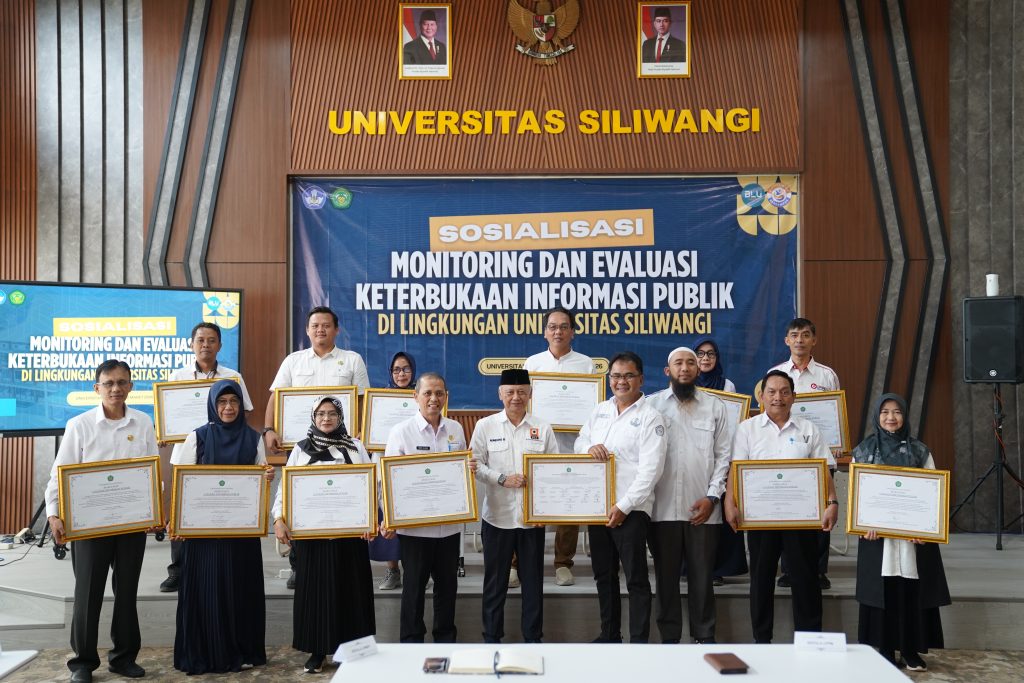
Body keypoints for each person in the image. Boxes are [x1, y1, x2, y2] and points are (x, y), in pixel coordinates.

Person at [45, 359, 159, 682]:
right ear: (97, 388)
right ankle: (82, 663)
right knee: (88, 593)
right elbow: (59, 473)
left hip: (131, 524)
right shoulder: (79, 425)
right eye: (108, 383)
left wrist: (155, 511)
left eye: (122, 382)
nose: (115, 389)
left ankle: (123, 657)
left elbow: (151, 471)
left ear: (131, 387)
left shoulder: (143, 423)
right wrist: (53, 513)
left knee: (127, 591)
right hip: (89, 525)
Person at [725, 370, 839, 644]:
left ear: (794, 397)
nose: (778, 397)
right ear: (762, 396)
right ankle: (762, 640)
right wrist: (730, 502)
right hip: (759, 519)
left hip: (801, 519)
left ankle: (810, 640)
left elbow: (824, 470)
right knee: (761, 580)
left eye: (785, 392)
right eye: (772, 392)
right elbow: (735, 470)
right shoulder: (747, 429)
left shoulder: (808, 429)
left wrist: (832, 502)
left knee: (805, 578)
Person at [263, 305, 370, 589]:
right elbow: (275, 397)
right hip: (302, 448)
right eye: (315, 325)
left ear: (336, 329)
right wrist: (269, 429)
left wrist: (361, 434)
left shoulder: (352, 360)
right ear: (307, 330)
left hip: (343, 447)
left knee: (339, 500)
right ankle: (299, 564)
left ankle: (344, 561)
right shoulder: (293, 361)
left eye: (326, 325)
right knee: (301, 502)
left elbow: (362, 401)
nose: (320, 329)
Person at [170, 380, 272, 674]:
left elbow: (260, 477)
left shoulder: (253, 438)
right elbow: (181, 481)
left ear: (241, 405)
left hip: (242, 534)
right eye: (222, 402)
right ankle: (206, 652)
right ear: (213, 405)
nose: (228, 407)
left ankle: (241, 650)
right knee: (208, 591)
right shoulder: (197, 437)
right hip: (204, 535)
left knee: (240, 591)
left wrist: (265, 478)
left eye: (234, 401)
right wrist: (177, 520)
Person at [272, 396, 377, 674]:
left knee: (352, 592)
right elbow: (285, 488)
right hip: (312, 538)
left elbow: (371, 486)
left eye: (332, 413)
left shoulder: (355, 447)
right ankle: (317, 652)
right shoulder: (301, 449)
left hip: (350, 537)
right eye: (320, 414)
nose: (326, 418)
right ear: (313, 417)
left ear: (340, 417)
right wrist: (279, 518)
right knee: (315, 594)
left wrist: (371, 519)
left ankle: (354, 652)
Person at [853, 393, 950, 671]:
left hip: (913, 539)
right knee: (882, 591)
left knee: (910, 591)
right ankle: (884, 650)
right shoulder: (864, 450)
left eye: (897, 412)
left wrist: (927, 529)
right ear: (877, 416)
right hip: (877, 538)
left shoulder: (920, 451)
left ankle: (910, 650)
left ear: (905, 416)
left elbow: (933, 492)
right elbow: (859, 494)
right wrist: (862, 523)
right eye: (885, 412)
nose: (891, 417)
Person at [576, 351, 666, 643]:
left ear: (641, 379)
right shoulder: (600, 410)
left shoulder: (651, 417)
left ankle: (638, 642)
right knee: (604, 575)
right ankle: (610, 635)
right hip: (598, 507)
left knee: (636, 578)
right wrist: (588, 448)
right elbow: (580, 440)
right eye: (615, 376)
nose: (621, 381)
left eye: (628, 375)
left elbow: (651, 470)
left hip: (632, 510)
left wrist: (624, 506)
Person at [160, 322, 253, 593]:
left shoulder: (233, 376)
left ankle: (218, 565)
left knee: (219, 504)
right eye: (200, 340)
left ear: (220, 345)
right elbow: (167, 415)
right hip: (187, 451)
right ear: (191, 344)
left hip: (226, 453)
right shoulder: (177, 377)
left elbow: (244, 410)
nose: (205, 345)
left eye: (211, 340)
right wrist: (164, 430)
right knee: (182, 506)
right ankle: (178, 570)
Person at [647, 347, 732, 644]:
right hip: (662, 508)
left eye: (690, 363)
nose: (685, 368)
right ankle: (669, 639)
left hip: (704, 508)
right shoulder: (651, 405)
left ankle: (704, 637)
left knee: (702, 578)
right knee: (666, 579)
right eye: (678, 363)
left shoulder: (716, 406)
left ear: (698, 370)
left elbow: (724, 457)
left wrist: (712, 497)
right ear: (667, 371)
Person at [471, 369, 558, 643]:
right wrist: (502, 479)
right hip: (497, 518)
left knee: (533, 585)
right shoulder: (485, 426)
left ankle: (533, 639)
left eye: (521, 392)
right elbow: (474, 465)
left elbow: (553, 470)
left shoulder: (543, 427)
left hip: (531, 520)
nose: (516, 397)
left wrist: (544, 511)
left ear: (530, 394)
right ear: (500, 394)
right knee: (495, 584)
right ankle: (491, 638)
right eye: (510, 392)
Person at [382, 372, 467, 643]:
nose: (434, 398)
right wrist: (389, 517)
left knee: (447, 589)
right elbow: (388, 479)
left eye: (439, 393)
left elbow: (461, 474)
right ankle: (411, 644)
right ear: (415, 396)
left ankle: (445, 642)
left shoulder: (455, 429)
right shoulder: (401, 431)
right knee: (414, 589)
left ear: (446, 397)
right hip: (415, 530)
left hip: (448, 528)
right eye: (428, 393)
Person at [523, 306, 595, 587]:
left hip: (571, 445)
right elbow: (521, 403)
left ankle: (563, 563)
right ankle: (518, 563)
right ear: (545, 332)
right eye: (552, 327)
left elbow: (592, 409)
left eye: (564, 326)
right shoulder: (533, 363)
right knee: (528, 503)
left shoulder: (585, 364)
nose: (558, 332)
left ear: (572, 332)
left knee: (569, 504)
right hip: (535, 444)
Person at [769, 317, 841, 589]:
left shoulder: (827, 375)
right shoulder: (775, 372)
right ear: (787, 340)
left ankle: (818, 571)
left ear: (814, 340)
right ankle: (789, 570)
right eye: (794, 335)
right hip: (786, 453)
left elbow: (835, 412)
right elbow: (768, 411)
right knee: (789, 511)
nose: (800, 340)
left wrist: (837, 440)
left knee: (821, 511)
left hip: (819, 452)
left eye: (805, 335)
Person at [693, 338, 747, 585]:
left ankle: (719, 568)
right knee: (695, 512)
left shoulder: (727, 385)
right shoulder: (685, 382)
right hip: (693, 457)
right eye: (701, 354)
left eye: (711, 354)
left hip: (722, 455)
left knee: (720, 514)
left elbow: (732, 422)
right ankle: (692, 567)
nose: (705, 358)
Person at [371, 352, 416, 590]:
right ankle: (392, 571)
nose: (401, 374)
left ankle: (415, 571)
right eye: (397, 370)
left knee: (412, 515)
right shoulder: (380, 399)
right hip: (383, 459)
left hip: (413, 463)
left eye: (406, 369)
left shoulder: (422, 396)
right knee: (387, 513)